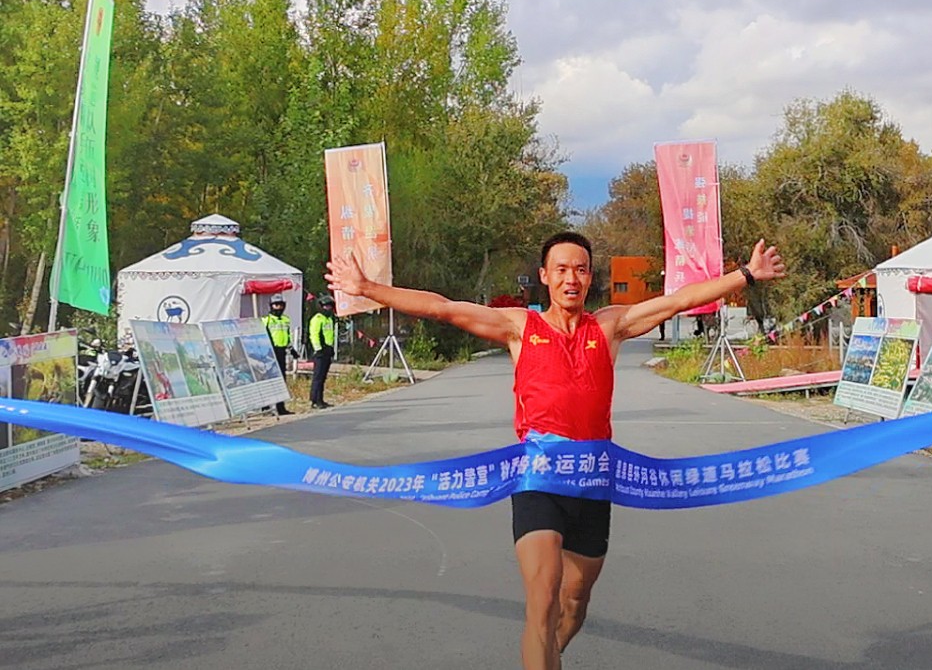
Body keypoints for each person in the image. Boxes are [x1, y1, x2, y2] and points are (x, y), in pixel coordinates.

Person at [326, 231, 785, 670]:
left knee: (574, 602)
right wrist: (368, 288)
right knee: (543, 599)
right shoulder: (519, 327)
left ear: (590, 276)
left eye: (580, 270)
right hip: (538, 482)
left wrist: (745, 274)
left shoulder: (609, 326)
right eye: (561, 269)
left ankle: (548, 657)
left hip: (593, 483)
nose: (571, 279)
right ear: (544, 276)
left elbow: (678, 301)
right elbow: (443, 308)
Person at [263, 293, 293, 416]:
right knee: (269, 380)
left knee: (281, 380)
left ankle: (281, 407)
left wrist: (291, 348)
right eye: (276, 305)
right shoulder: (266, 320)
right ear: (271, 306)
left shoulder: (286, 320)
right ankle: (265, 408)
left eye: (280, 305)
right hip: (269, 352)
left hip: (282, 351)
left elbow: (288, 335)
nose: (278, 307)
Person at [309, 293, 337, 409]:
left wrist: (331, 349)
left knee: (323, 377)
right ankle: (314, 400)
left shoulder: (329, 319)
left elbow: (330, 335)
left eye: (330, 306)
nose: (328, 308)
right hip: (320, 351)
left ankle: (320, 399)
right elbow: (314, 335)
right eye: (326, 306)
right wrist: (318, 349)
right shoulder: (317, 319)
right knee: (318, 377)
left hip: (328, 349)